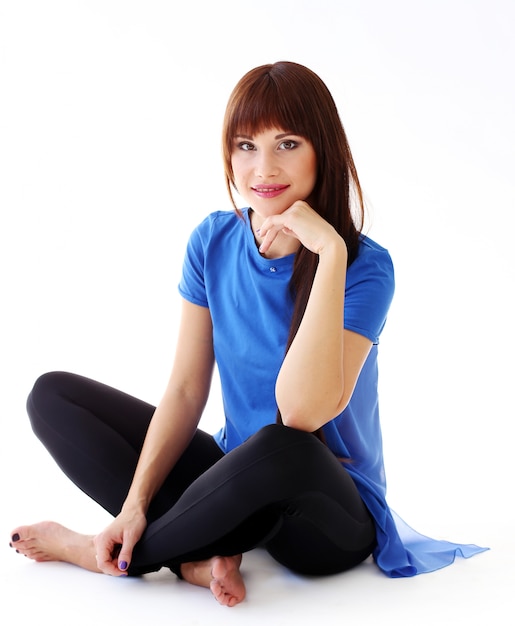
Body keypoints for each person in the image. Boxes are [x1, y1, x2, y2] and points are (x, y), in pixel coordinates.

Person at [9, 61, 487, 607]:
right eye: (245, 145)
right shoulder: (212, 240)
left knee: (285, 444)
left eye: (286, 143)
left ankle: (100, 552)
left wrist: (328, 252)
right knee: (53, 395)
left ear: (321, 151)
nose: (263, 167)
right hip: (234, 474)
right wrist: (136, 503)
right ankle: (187, 552)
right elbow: (187, 390)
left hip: (324, 510)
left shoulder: (363, 267)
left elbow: (302, 414)